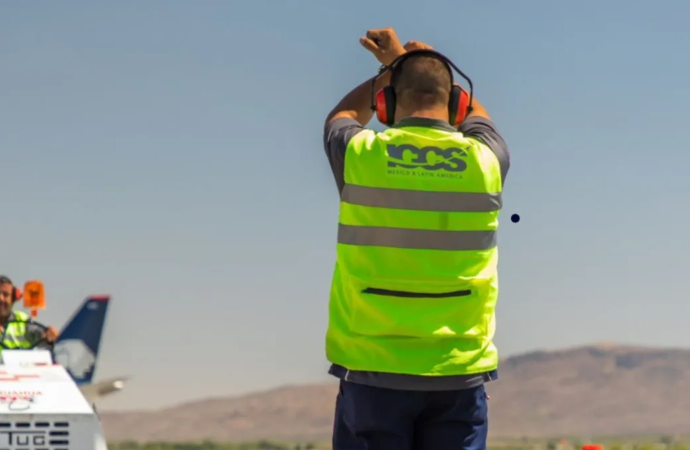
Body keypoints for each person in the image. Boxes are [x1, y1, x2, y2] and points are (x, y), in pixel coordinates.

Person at [322, 27, 510, 450]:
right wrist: (415, 60)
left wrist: (388, 70)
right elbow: (478, 116)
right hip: (459, 371)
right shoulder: (487, 160)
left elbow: (339, 119)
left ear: (385, 104)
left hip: (372, 369)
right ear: (458, 102)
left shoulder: (361, 156)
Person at [0, 275, 59, 350]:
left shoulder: (22, 320)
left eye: (5, 295)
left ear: (14, 298)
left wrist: (48, 335)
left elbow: (39, 335)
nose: (0, 298)